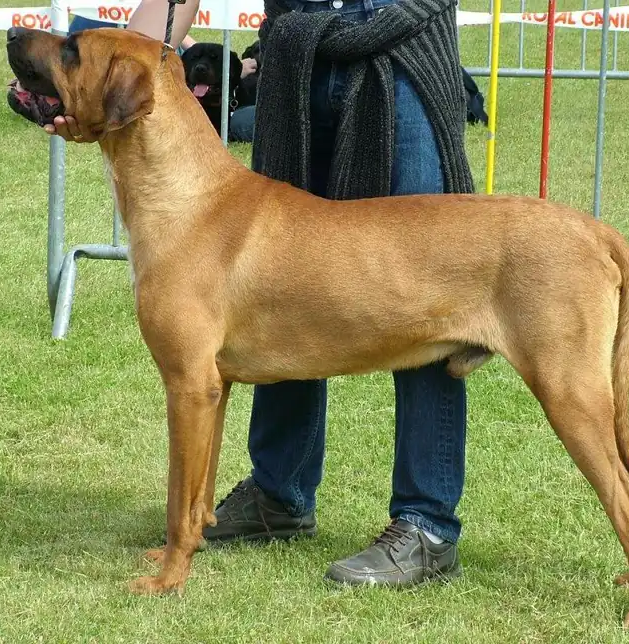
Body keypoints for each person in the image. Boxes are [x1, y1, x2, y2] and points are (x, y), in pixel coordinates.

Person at [47, 0, 474, 587]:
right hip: (296, 61)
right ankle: (279, 495)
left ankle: (426, 525)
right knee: (281, 282)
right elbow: (158, 31)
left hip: (403, 49)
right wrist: (104, 77)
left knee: (427, 291)